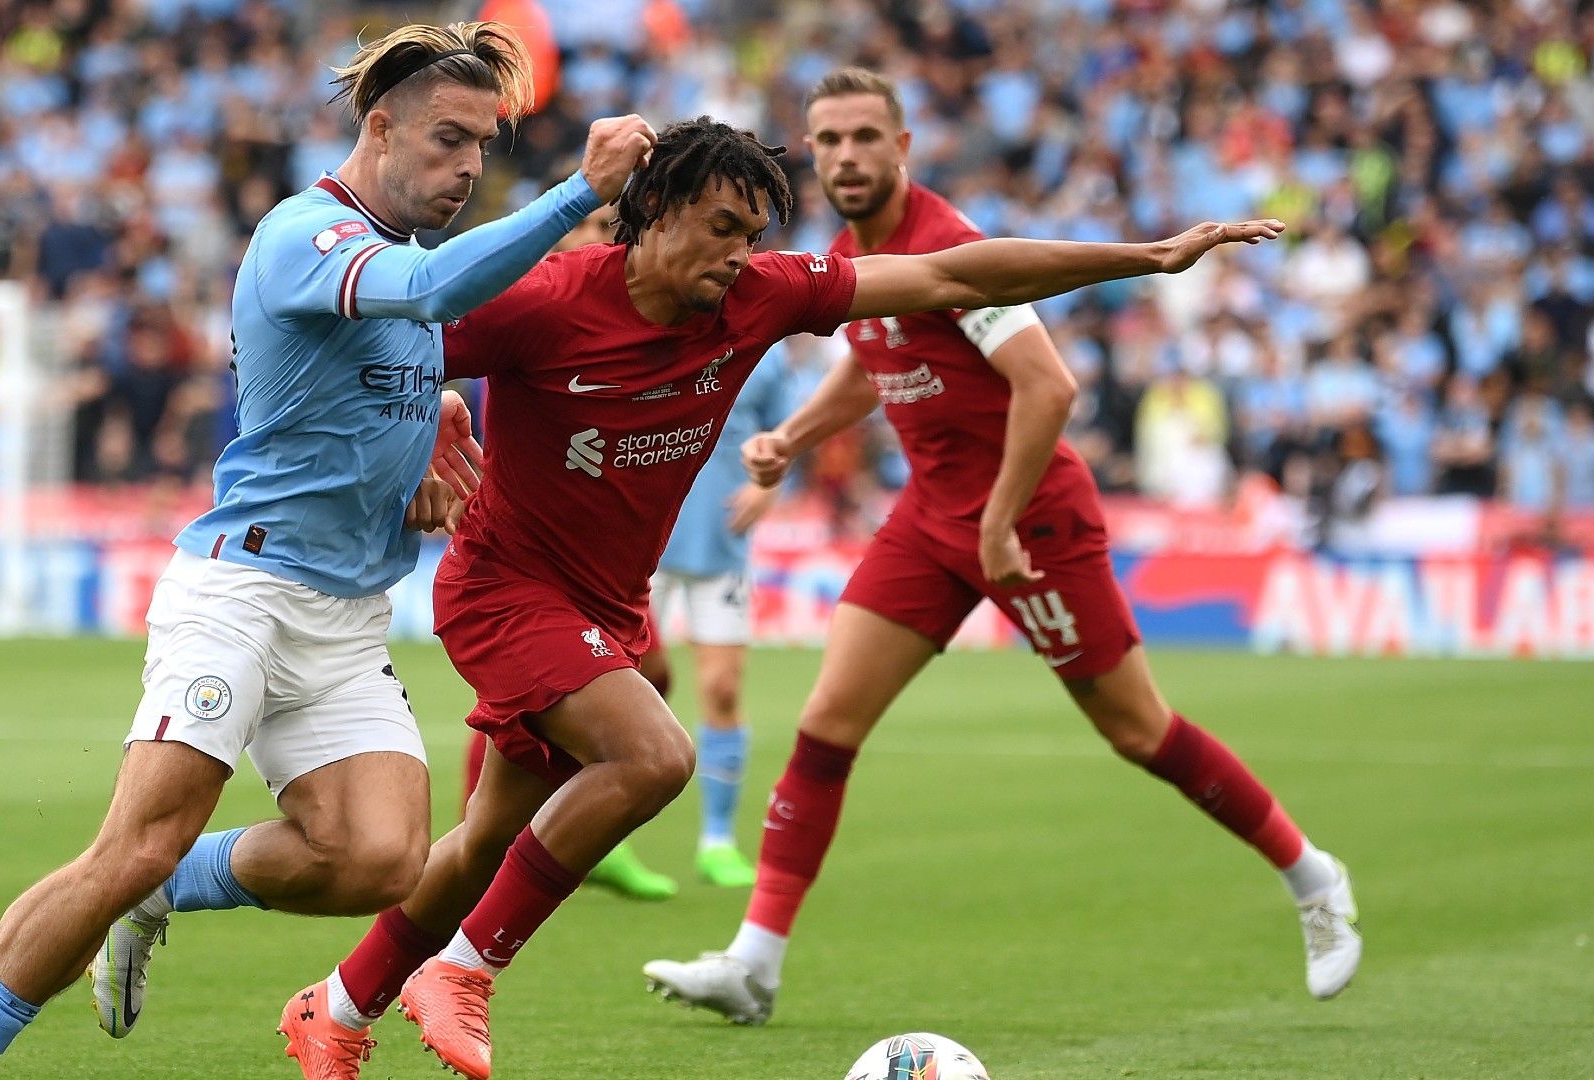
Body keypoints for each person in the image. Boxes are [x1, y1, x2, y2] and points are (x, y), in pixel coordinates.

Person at [279, 110, 1281, 1080]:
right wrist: (423, 440)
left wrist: (1146, 256)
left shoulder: (760, 297)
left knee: (485, 839)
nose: (737, 254)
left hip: (608, 606)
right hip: (507, 589)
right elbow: (369, 356)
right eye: (722, 229)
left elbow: (948, 274)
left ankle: (339, 1003)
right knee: (654, 755)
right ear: (655, 208)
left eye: (753, 235)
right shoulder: (544, 301)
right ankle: (464, 970)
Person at [0, 22, 656, 1080]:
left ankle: (170, 886)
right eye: (447, 140)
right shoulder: (304, 234)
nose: (468, 167)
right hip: (245, 590)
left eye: (483, 147)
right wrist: (579, 195)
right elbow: (436, 294)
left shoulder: (395, 268)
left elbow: (370, 388)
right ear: (379, 124)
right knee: (129, 845)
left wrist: (419, 468)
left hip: (347, 613)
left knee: (382, 859)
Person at [640, 69, 1359, 1030]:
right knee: (825, 727)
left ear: (903, 148)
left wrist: (998, 518)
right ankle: (753, 963)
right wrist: (794, 439)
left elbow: (1048, 388)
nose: (846, 155)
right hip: (935, 521)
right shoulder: (862, 254)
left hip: (1032, 522)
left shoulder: (948, 245)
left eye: (864, 136)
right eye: (829, 139)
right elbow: (879, 354)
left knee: (1138, 732)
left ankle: (1313, 878)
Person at [456, 202, 683, 903]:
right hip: (526, 553)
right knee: (529, 715)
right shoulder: (542, 299)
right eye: (595, 222)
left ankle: (538, 829)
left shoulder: (633, 310)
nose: (605, 238)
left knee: (651, 673)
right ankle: (498, 841)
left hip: (603, 561)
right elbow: (415, 349)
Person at [646, 340, 795, 888]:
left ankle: (717, 839)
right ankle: (602, 840)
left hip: (722, 537)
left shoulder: (768, 348)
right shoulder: (658, 321)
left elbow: (789, 432)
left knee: (724, 689)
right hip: (643, 539)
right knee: (632, 686)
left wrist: (769, 489)